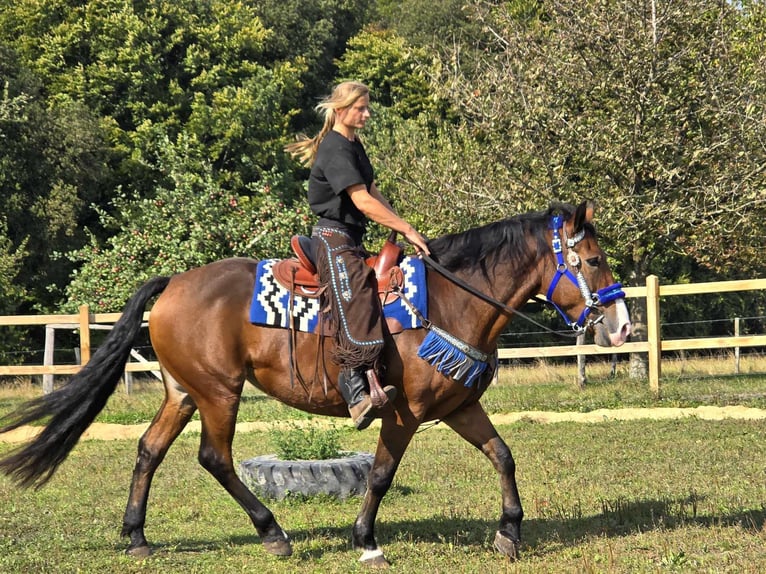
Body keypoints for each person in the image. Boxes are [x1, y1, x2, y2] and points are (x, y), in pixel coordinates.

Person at [285, 81, 430, 430]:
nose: (366, 114)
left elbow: (372, 191)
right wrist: (408, 230)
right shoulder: (334, 148)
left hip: (350, 237)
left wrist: (400, 224)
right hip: (332, 238)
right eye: (360, 108)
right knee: (359, 292)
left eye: (367, 108)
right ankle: (354, 390)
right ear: (340, 109)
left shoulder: (352, 143)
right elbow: (361, 200)